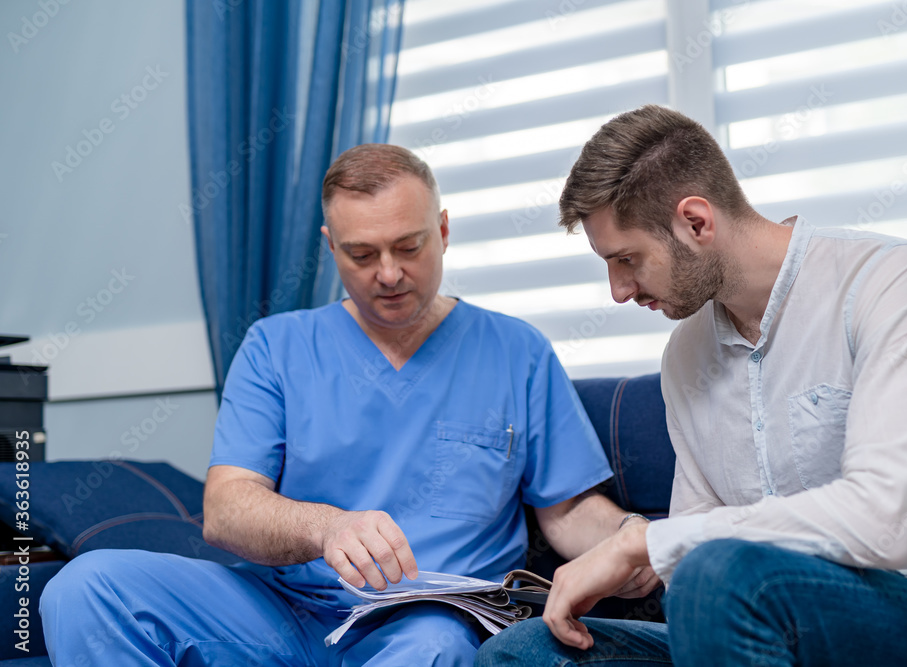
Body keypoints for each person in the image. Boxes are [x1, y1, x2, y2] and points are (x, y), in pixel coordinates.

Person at [39, 144, 660, 666]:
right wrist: (328, 526)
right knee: (85, 588)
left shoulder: (516, 351)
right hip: (279, 610)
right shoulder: (275, 347)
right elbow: (226, 510)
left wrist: (636, 540)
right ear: (330, 246)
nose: (388, 273)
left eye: (409, 247)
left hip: (423, 623)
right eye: (361, 254)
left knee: (435, 649)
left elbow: (567, 511)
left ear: (442, 231)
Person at [475, 105, 907, 666]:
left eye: (627, 259)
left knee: (722, 574)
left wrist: (646, 542)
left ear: (696, 222)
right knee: (524, 652)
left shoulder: (887, 280)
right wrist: (651, 565)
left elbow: (883, 522)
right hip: (752, 627)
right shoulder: (686, 354)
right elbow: (689, 560)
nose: (618, 291)